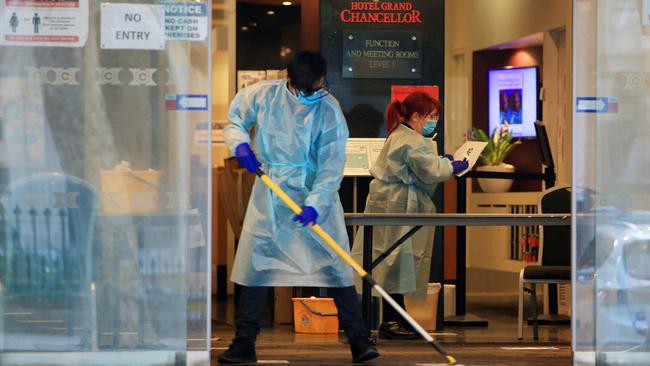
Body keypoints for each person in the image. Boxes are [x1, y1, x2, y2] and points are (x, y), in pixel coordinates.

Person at [219, 51, 379, 364]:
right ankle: (243, 344)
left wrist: (316, 204)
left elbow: (331, 165)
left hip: (314, 194)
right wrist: (239, 145)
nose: (313, 95)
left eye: (318, 88)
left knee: (335, 266)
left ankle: (359, 342)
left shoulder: (329, 109)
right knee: (257, 266)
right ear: (290, 80)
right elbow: (235, 119)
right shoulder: (264, 95)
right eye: (307, 90)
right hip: (272, 195)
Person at [351, 92, 468, 340]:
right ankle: (393, 321)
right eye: (432, 116)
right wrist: (450, 166)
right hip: (398, 207)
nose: (434, 121)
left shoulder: (403, 135)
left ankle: (397, 318)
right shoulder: (409, 141)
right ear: (416, 116)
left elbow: (422, 165)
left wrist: (441, 161)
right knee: (392, 263)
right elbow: (431, 170)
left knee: (392, 263)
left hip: (395, 205)